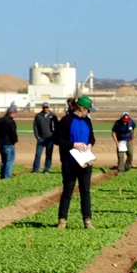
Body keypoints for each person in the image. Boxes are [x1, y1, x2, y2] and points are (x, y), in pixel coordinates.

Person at [53, 96, 96, 229]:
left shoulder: (88, 121)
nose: (89, 112)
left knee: (85, 191)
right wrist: (73, 144)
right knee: (67, 191)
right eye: (88, 110)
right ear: (82, 108)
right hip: (70, 162)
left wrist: (89, 144)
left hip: (85, 161)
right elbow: (57, 139)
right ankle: (62, 220)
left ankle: (87, 220)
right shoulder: (67, 120)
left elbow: (92, 138)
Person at [0, 103, 19, 179]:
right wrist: (14, 141)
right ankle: (6, 177)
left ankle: (2, 175)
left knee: (3, 160)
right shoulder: (11, 122)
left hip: (1, 144)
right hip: (9, 144)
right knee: (9, 161)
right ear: (12, 113)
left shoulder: (0, 120)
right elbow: (13, 133)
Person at [32, 102, 55, 174]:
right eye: (44, 107)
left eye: (47, 107)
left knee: (48, 155)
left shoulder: (53, 116)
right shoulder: (38, 116)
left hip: (50, 139)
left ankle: (46, 169)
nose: (46, 109)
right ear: (42, 108)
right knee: (38, 154)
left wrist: (54, 136)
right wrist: (37, 136)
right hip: (41, 138)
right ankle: (36, 169)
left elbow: (57, 126)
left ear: (49, 108)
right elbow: (35, 126)